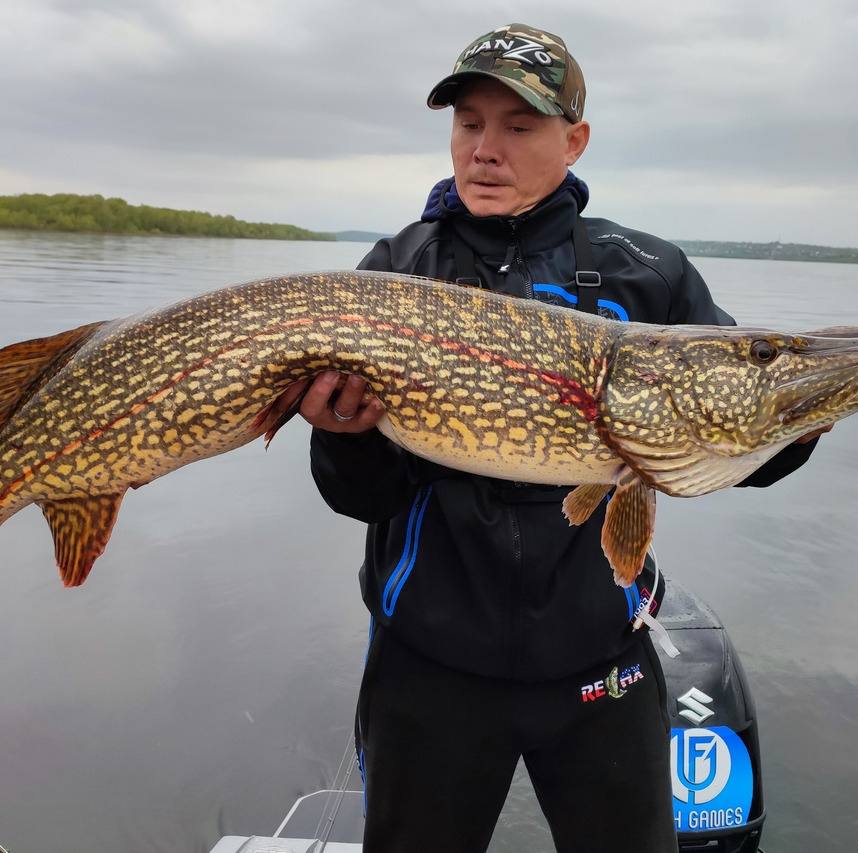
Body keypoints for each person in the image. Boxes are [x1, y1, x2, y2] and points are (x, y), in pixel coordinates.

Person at [280, 23, 822, 853]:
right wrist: (346, 435)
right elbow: (360, 497)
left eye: (518, 126)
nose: (484, 150)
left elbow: (735, 439)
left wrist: (797, 414)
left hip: (599, 659)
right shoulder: (396, 270)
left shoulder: (650, 272)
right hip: (430, 663)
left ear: (574, 140)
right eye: (469, 123)